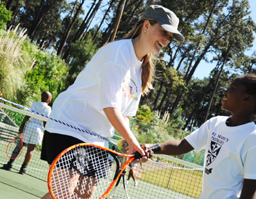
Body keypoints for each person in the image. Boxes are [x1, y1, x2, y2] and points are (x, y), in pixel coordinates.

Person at [40, 5, 184, 199]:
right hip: (70, 126)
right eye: (164, 31)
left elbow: (124, 115)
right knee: (63, 195)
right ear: (147, 25)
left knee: (84, 196)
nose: (167, 40)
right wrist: (134, 143)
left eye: (171, 37)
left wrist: (129, 143)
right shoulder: (118, 53)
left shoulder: (141, 70)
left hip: (98, 138)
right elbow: (109, 106)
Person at [143, 74, 256, 199]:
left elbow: (250, 189)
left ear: (247, 98)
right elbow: (183, 145)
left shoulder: (254, 138)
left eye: (232, 89)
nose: (225, 91)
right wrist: (151, 147)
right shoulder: (215, 123)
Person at [2, 91, 52, 174]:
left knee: (20, 145)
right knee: (30, 149)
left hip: (29, 126)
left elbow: (27, 115)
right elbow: (45, 122)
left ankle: (9, 164)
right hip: (38, 129)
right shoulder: (48, 108)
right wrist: (45, 133)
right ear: (47, 99)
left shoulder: (34, 104)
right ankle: (23, 169)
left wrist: (22, 125)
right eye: (50, 98)